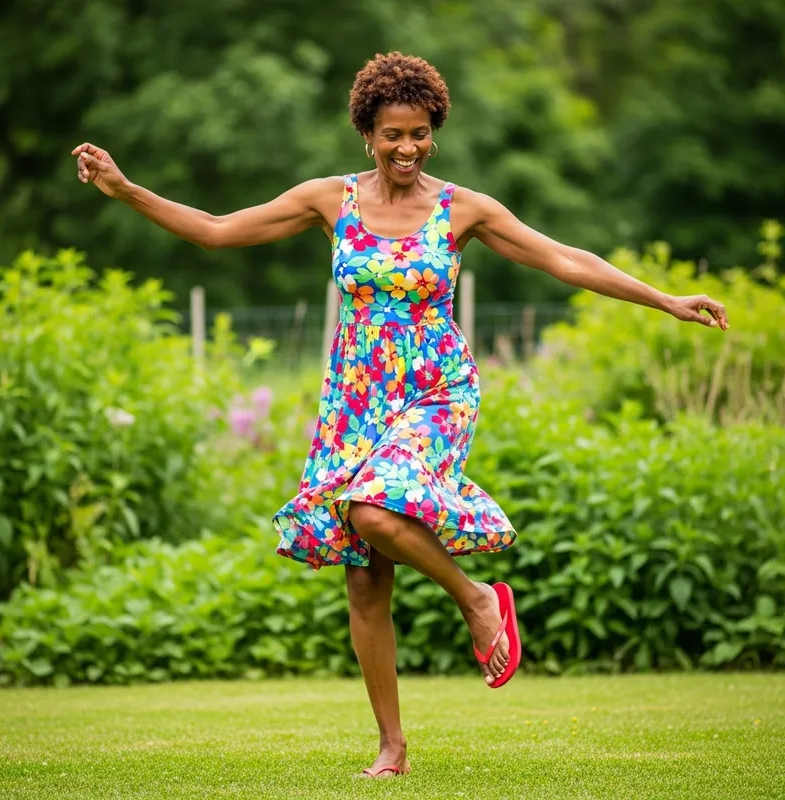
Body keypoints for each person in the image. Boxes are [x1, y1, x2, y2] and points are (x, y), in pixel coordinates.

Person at [72, 51, 729, 780]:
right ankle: (392, 748)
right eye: (392, 134)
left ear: (434, 132)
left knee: (371, 510)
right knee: (363, 579)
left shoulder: (463, 211)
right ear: (367, 135)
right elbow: (217, 229)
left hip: (437, 392)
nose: (406, 148)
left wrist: (665, 299)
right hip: (353, 401)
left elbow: (566, 260)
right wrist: (126, 190)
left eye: (419, 133)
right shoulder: (330, 200)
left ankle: (480, 602)